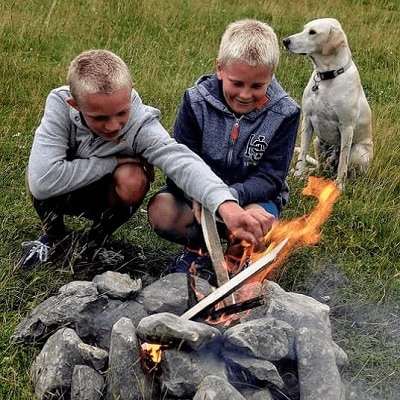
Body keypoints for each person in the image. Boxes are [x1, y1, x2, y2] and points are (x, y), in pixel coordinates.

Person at [16, 49, 273, 271]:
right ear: (75, 105)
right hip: (62, 190)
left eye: (121, 112)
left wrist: (226, 205)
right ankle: (54, 235)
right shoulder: (59, 106)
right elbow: (43, 182)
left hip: (104, 191)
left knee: (134, 178)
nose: (114, 125)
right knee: (36, 173)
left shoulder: (140, 122)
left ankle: (96, 240)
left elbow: (182, 161)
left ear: (131, 92)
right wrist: (112, 161)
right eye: (99, 118)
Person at [147, 19, 300, 279]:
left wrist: (228, 197)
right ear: (220, 68)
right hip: (195, 198)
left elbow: (271, 178)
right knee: (162, 211)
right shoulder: (195, 101)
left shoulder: (285, 112)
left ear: (271, 76)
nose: (245, 94)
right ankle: (198, 251)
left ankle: (237, 258)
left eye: (257, 86)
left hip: (251, 200)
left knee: (260, 224)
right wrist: (205, 196)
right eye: (237, 83)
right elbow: (178, 166)